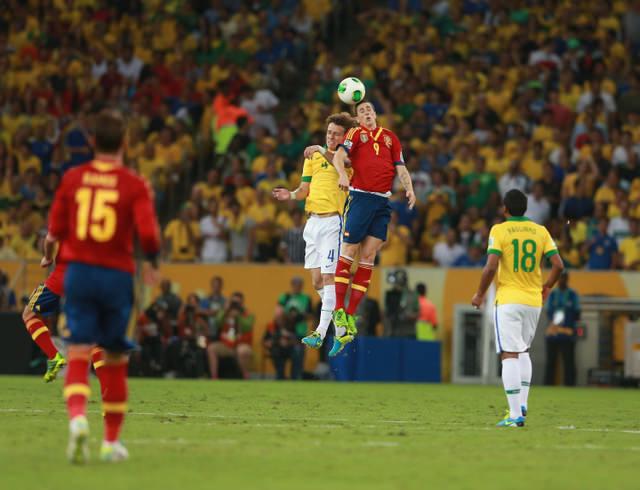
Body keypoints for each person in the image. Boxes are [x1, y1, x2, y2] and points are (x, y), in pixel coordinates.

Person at [45, 109, 160, 463]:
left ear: (92, 142)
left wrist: (49, 257)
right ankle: (110, 442)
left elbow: (53, 234)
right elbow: (149, 236)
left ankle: (78, 418)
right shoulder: (134, 183)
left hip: (78, 273)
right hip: (116, 277)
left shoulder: (73, 178)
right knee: (114, 358)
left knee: (77, 351)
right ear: (124, 143)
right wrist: (152, 264)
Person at [471, 189, 564, 428]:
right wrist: (547, 287)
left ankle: (515, 415)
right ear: (526, 208)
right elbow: (558, 265)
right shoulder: (540, 231)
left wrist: (480, 294)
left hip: (510, 300)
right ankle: (522, 404)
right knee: (523, 351)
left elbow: (491, 267)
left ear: (505, 208)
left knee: (509, 354)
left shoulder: (499, 230)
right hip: (534, 301)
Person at [331, 101, 416, 355]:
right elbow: (339, 155)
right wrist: (342, 174)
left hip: (382, 201)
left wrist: (409, 187)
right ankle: (338, 310)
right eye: (362, 111)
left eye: (369, 109)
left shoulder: (390, 137)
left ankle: (350, 315)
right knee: (348, 252)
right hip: (360, 197)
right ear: (357, 119)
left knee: (368, 257)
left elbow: (401, 167)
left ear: (375, 114)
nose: (367, 113)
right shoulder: (355, 134)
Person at [272, 112, 357, 349]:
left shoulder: (346, 156)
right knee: (318, 281)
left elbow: (342, 164)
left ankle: (320, 333)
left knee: (330, 277)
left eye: (336, 134)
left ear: (344, 137)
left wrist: (321, 148)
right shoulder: (312, 158)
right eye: (328, 133)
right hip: (312, 223)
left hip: (333, 222)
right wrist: (289, 194)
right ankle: (342, 327)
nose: (331, 137)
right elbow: (303, 190)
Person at [23, 246, 105, 383]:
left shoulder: (67, 223)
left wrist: (48, 257)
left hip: (63, 275)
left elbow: (50, 238)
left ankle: (54, 357)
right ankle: (107, 386)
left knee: (29, 315)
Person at [206, 292, 254, 379]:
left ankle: (246, 376)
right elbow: (217, 323)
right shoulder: (225, 313)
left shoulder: (247, 313)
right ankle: (214, 377)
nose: (235, 305)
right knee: (211, 348)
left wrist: (239, 316)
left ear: (242, 303)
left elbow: (247, 327)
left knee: (241, 351)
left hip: (242, 344)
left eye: (238, 303)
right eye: (233, 303)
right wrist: (224, 310)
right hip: (227, 345)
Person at [544, 271, 581, 386]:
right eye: (560, 278)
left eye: (564, 278)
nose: (561, 281)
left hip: (567, 333)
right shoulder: (553, 294)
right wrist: (555, 324)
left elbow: (577, 313)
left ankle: (570, 385)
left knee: (569, 361)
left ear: (567, 279)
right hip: (554, 332)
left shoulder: (572, 294)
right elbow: (548, 312)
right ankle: (548, 385)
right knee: (551, 361)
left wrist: (568, 325)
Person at [383, 269, 419, 338]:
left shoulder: (412, 294)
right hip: (393, 332)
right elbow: (385, 312)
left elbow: (417, 313)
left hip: (408, 332)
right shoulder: (390, 295)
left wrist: (409, 316)